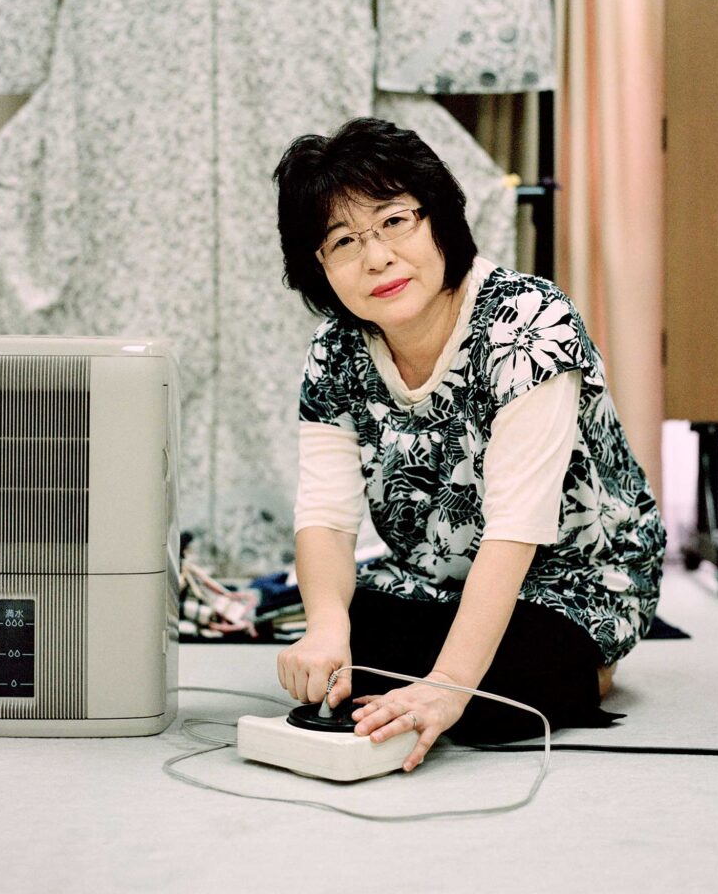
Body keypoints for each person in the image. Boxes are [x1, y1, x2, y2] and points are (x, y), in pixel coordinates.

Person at [273, 117, 666, 771]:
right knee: (344, 635)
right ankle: (450, 663)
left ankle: (587, 661)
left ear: (439, 217)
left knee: (494, 704)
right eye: (344, 240)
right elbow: (324, 515)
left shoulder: (529, 323)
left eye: (395, 222)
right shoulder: (336, 349)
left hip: (576, 576)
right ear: (318, 265)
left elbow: (516, 531)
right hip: (437, 578)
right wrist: (326, 629)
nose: (376, 257)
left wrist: (447, 690)